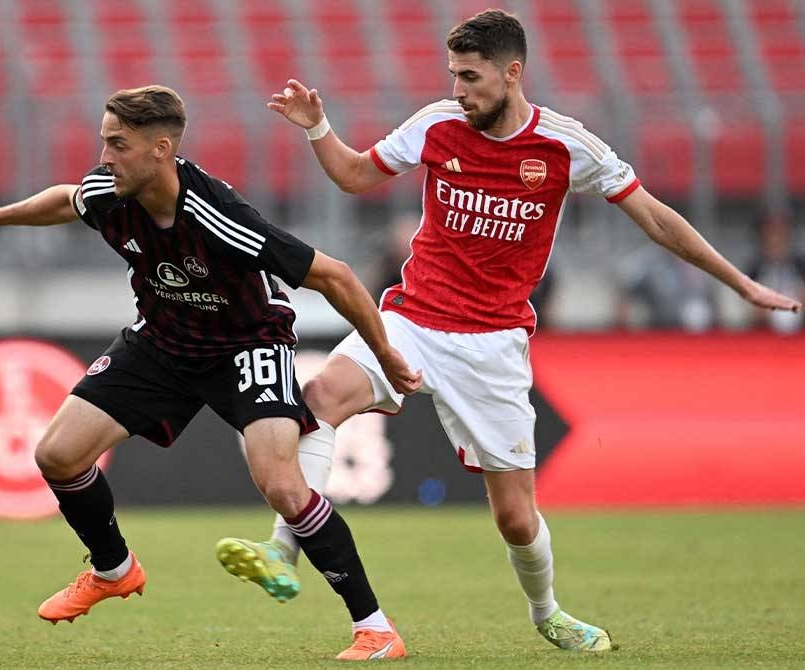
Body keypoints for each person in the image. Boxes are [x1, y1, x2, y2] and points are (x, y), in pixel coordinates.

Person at [215, 10, 802, 653]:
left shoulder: (564, 144)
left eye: (470, 77)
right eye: (453, 76)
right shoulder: (437, 123)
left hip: (493, 343)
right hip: (413, 316)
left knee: (515, 518)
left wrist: (740, 285)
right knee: (322, 397)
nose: (459, 89)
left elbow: (655, 220)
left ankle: (547, 612)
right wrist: (318, 128)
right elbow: (356, 175)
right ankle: (281, 551)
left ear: (512, 72)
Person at [0, 85, 422, 661]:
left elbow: (338, 277)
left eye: (117, 145)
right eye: (103, 141)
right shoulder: (110, 191)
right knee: (57, 454)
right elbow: (66, 200)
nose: (104, 157)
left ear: (160, 150)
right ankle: (113, 569)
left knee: (280, 483)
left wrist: (389, 355)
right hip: (164, 342)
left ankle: (375, 628)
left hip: (246, 344)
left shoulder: (217, 215)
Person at [746, 213, 805, 333]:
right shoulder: (755, 267)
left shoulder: (800, 265)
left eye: (780, 235)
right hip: (765, 327)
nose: (775, 240)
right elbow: (745, 300)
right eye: (771, 235)